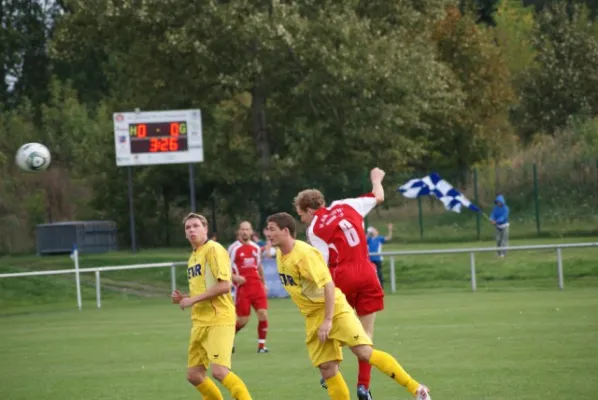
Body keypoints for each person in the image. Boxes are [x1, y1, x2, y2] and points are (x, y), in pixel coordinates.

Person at [265, 212, 431, 400]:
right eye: (267, 229)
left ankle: (417, 390)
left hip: (333, 309)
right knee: (327, 369)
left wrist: (328, 320)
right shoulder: (280, 254)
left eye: (271, 229)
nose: (267, 233)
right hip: (312, 316)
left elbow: (328, 284)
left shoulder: (304, 254)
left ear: (285, 231)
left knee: (363, 351)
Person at [294, 167, 386, 400]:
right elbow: (379, 196)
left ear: (309, 210)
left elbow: (320, 264)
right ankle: (363, 387)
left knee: (332, 327)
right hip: (366, 271)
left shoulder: (314, 229)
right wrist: (376, 178)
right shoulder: (346, 205)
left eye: (301, 215)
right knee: (365, 336)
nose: (302, 220)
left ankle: (329, 371)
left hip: (341, 277)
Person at [172, 213, 253, 400]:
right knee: (194, 375)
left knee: (219, 371)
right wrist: (185, 297)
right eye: (188, 227)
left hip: (218, 319)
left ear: (205, 229)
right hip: (200, 321)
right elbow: (205, 290)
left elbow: (225, 285)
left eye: (196, 226)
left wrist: (191, 300)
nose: (192, 230)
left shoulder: (213, 250)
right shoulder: (193, 257)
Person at [228, 221, 269, 353]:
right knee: (242, 320)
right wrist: (235, 278)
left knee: (263, 314)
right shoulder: (233, 248)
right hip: (243, 288)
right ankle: (228, 339)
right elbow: (224, 268)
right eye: (243, 229)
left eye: (247, 229)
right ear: (239, 231)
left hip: (256, 286)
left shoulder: (256, 248)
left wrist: (264, 283)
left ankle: (261, 346)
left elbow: (259, 266)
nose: (245, 232)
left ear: (251, 232)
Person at [366, 224, 393, 289]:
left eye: (375, 231)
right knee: (370, 274)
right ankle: (372, 287)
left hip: (377, 258)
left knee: (379, 273)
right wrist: (368, 233)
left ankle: (380, 287)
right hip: (370, 259)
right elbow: (363, 239)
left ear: (377, 232)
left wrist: (390, 230)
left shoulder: (379, 238)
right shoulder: (369, 239)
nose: (374, 232)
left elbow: (388, 238)